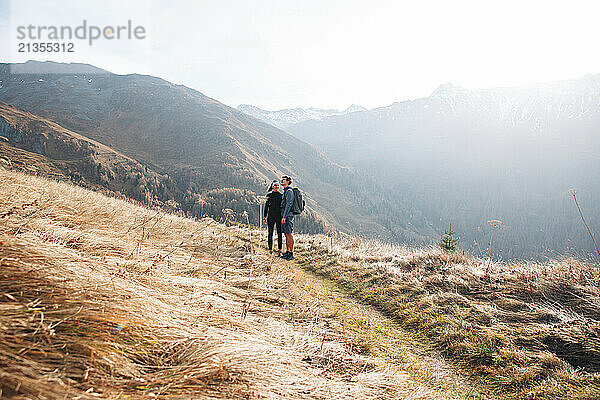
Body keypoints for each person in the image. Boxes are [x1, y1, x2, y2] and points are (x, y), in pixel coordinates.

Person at [264, 180, 283, 255]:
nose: (276, 187)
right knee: (270, 233)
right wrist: (264, 217)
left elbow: (282, 207)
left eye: (278, 185)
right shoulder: (269, 195)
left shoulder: (281, 195)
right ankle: (270, 249)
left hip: (279, 216)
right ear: (272, 186)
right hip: (270, 216)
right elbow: (266, 207)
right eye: (275, 185)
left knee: (279, 233)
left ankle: (279, 250)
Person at [280, 175, 295, 260]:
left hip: (288, 216)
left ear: (288, 181)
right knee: (286, 234)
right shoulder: (285, 191)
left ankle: (291, 253)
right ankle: (287, 251)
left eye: (284, 180)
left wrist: (284, 216)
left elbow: (289, 204)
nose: (282, 181)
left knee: (289, 233)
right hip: (284, 215)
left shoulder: (289, 191)